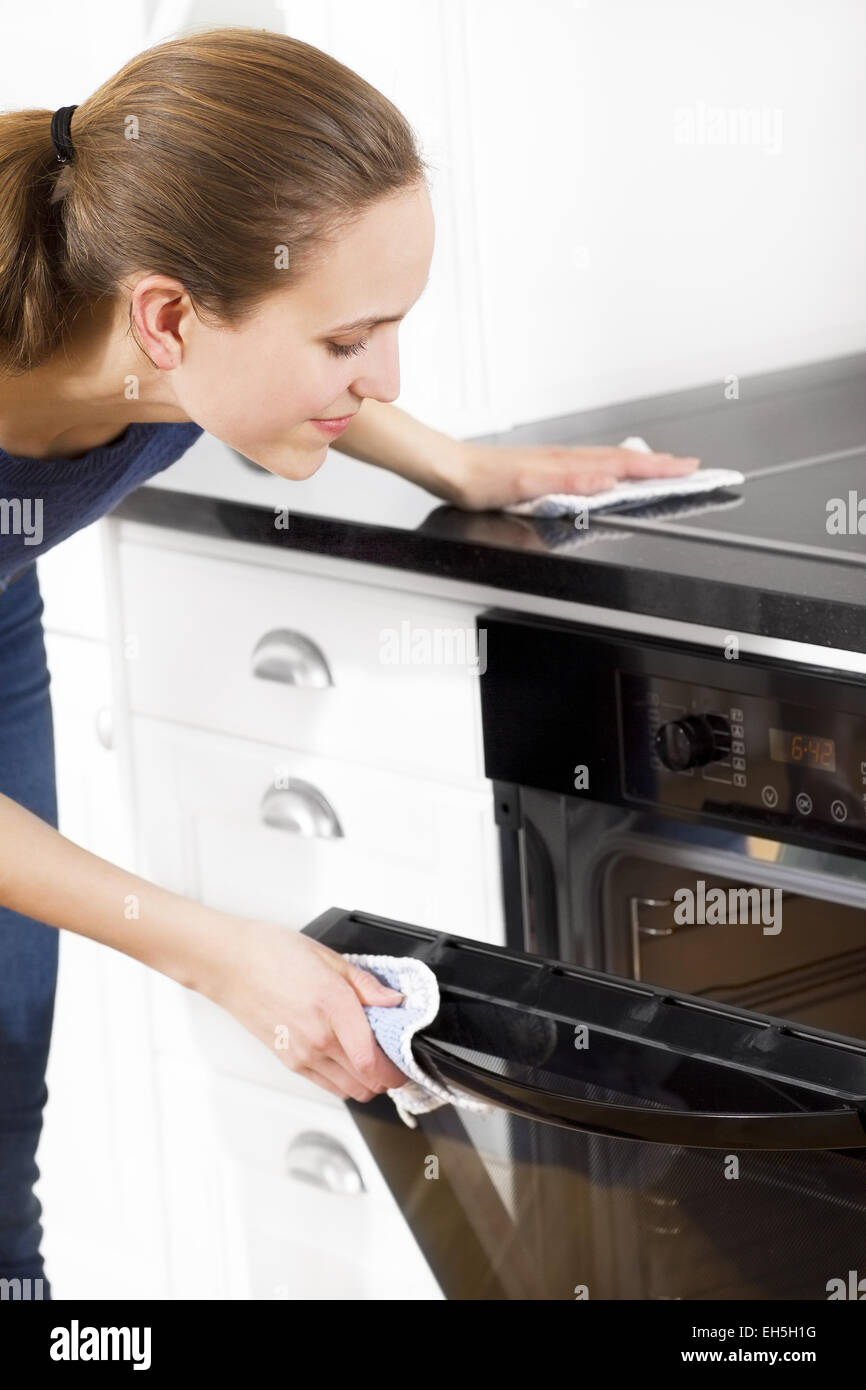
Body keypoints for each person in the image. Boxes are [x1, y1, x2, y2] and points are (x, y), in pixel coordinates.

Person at [0, 26, 699, 1294]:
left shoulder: (153, 334)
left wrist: (464, 466)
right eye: (344, 346)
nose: (378, 375)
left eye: (387, 328)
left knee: (0, 1075)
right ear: (168, 317)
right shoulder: (163, 328)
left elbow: (301, 359)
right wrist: (218, 950)